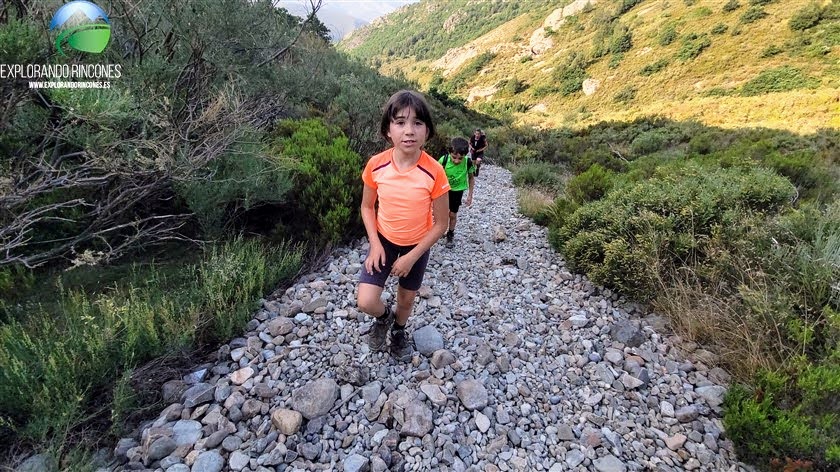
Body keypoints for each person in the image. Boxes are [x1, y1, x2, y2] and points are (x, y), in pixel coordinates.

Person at [357, 90, 450, 361]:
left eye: (417, 123)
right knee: (366, 300)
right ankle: (384, 318)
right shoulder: (376, 165)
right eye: (400, 122)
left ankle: (399, 330)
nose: (409, 131)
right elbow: (366, 206)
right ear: (388, 130)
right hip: (384, 240)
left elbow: (441, 223)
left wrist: (411, 257)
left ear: (427, 131)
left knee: (406, 300)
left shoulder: (434, 171)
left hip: (417, 245)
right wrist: (375, 244)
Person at [438, 137, 475, 246]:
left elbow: (471, 178)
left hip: (457, 192)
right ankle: (439, 231)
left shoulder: (467, 162)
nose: (456, 161)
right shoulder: (443, 160)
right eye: (454, 157)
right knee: (441, 214)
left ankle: (450, 233)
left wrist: (470, 195)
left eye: (460, 158)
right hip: (443, 191)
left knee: (452, 214)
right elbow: (434, 177)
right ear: (449, 152)